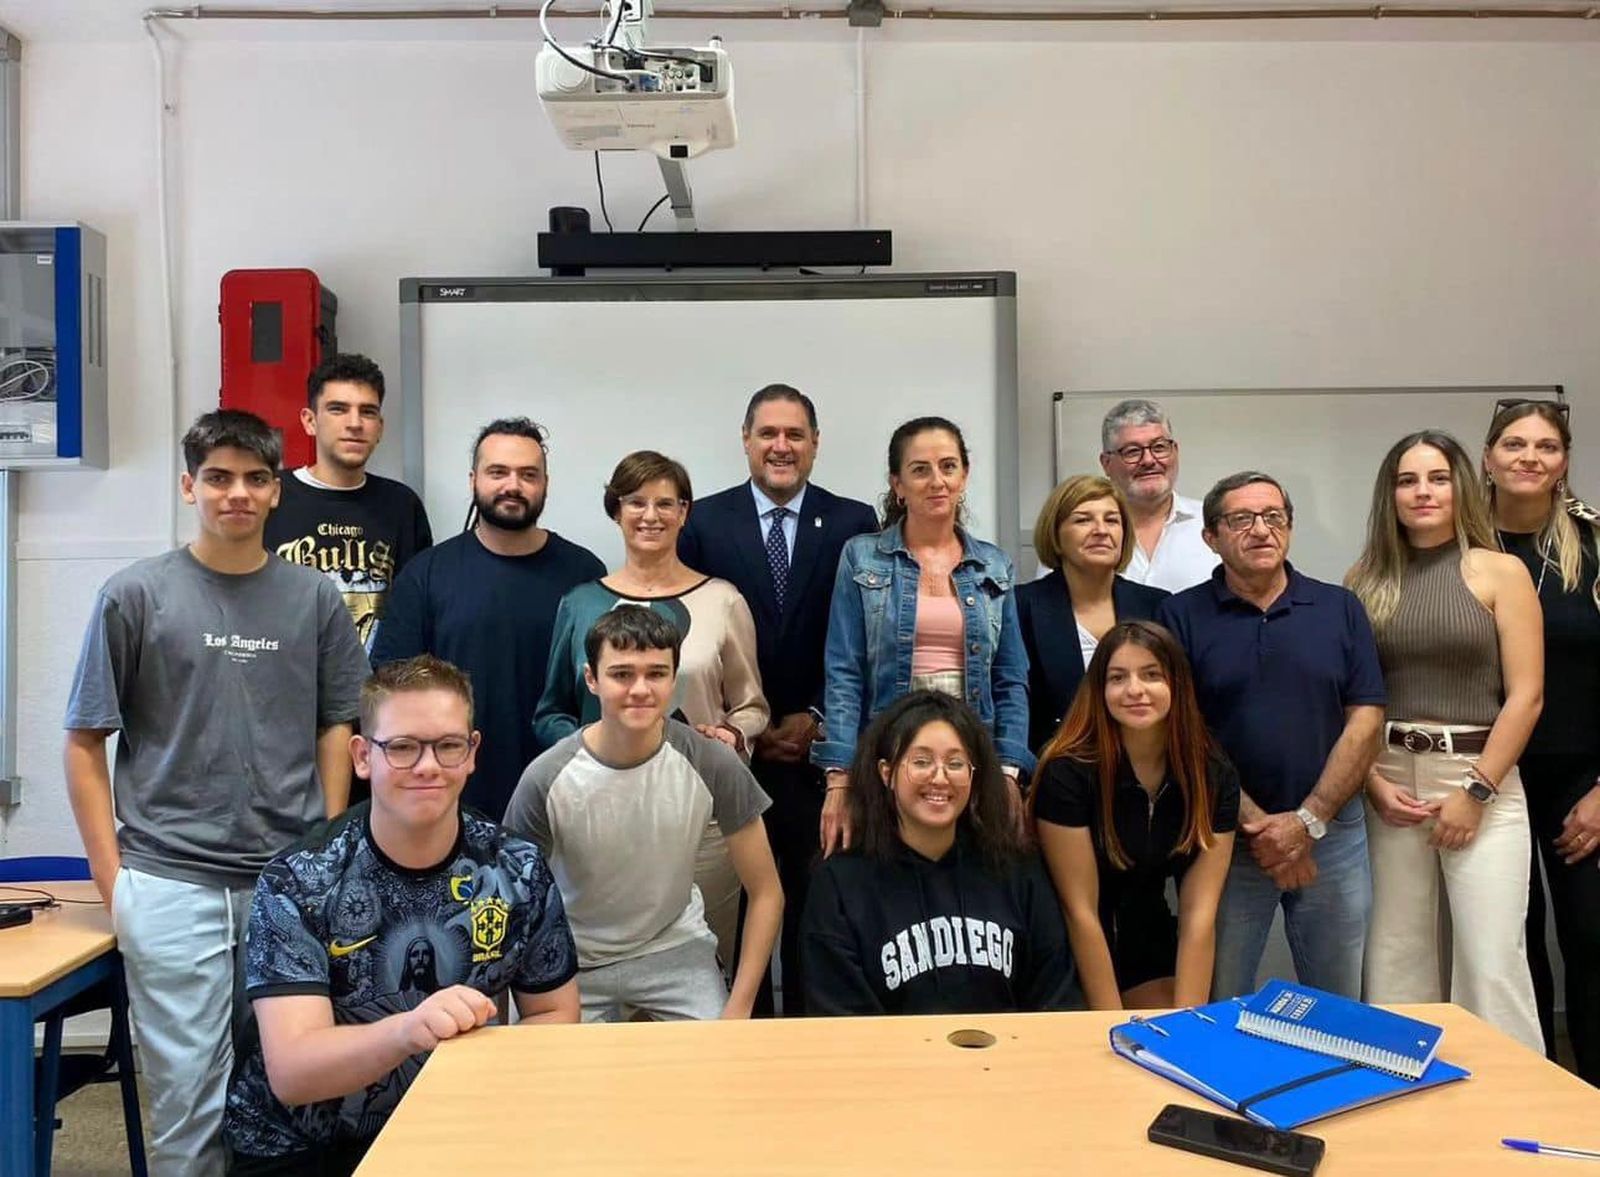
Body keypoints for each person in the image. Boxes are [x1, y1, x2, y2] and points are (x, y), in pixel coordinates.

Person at [63, 409, 369, 1175]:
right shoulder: (135, 594)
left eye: (255, 478)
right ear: (187, 485)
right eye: (219, 477)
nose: (237, 493)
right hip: (170, 882)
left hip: (286, 883)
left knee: (288, 1097)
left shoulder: (314, 597)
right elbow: (84, 740)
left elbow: (337, 725)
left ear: (276, 491)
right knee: (189, 1108)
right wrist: (113, 881)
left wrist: (324, 851)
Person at [223, 656, 579, 1176]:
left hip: (458, 1128)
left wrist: (482, 1077)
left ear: (472, 753)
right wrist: (408, 1032)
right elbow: (295, 1072)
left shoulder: (516, 869)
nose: (428, 766)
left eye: (448, 745)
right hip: (303, 1147)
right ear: (363, 756)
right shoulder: (297, 881)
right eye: (403, 747)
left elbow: (556, 1014)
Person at [677, 383, 878, 1015]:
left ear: (815, 443)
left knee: (818, 914)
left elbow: (862, 637)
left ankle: (812, 1043)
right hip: (733, 758)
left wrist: (816, 716)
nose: (781, 446)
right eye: (768, 433)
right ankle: (747, 1035)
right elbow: (690, 636)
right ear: (746, 441)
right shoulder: (703, 522)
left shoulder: (853, 523)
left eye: (795, 434)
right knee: (739, 918)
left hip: (822, 760)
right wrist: (750, 727)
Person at [533, 450, 768, 970]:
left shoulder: (723, 601)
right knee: (603, 965)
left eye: (666, 503)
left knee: (702, 969)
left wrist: (733, 735)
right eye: (636, 502)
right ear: (616, 510)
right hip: (597, 815)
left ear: (685, 512)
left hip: (700, 819)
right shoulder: (579, 604)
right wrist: (583, 755)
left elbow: (752, 705)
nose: (651, 515)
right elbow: (551, 710)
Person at [1349, 430, 1544, 1052]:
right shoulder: (1364, 580)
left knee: (1491, 959)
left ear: (1461, 486)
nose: (1423, 492)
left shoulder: (1501, 572)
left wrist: (1475, 792)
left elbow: (1527, 696)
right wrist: (1371, 783)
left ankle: (1513, 1093)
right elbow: (1351, 700)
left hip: (1481, 777)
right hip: (1388, 780)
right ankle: (1399, 1086)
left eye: (1437, 478)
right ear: (1390, 494)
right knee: (1396, 951)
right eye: (1407, 480)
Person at [1156, 471, 1385, 1001]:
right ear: (1211, 537)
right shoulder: (1179, 615)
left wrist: (1308, 820)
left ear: (1289, 527)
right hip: (1226, 839)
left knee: (1339, 1000)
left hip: (1334, 836)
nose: (1261, 530)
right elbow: (1181, 731)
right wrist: (1263, 827)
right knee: (1219, 995)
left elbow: (1367, 719)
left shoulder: (1339, 607)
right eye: (1241, 519)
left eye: (1273, 517)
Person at [506, 608, 783, 1022]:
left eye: (656, 673)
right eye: (621, 674)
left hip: (675, 949)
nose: (640, 689)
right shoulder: (546, 778)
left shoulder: (712, 764)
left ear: (674, 680)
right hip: (572, 957)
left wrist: (738, 1010)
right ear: (591, 679)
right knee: (536, 1061)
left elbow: (766, 892)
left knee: (720, 1061)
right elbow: (509, 902)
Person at [815, 416, 1031, 857]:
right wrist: (839, 779)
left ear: (964, 476)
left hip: (970, 756)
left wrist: (1008, 771)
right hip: (889, 752)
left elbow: (1010, 678)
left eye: (948, 466)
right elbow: (844, 672)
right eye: (920, 470)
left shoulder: (994, 565)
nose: (937, 481)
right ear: (897, 484)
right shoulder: (862, 557)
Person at [372, 417, 604, 818]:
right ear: (473, 480)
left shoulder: (584, 574)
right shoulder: (426, 575)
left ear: (545, 484)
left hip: (564, 796)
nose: (513, 485)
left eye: (528, 474)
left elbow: (601, 692)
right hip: (452, 801)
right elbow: (395, 696)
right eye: (498, 472)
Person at [800, 691, 1079, 1015]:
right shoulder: (839, 885)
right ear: (886, 773)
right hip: (886, 1050)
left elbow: (1056, 998)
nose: (939, 777)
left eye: (955, 763)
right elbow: (838, 1016)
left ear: (973, 775)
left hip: (1006, 1049)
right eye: (921, 761)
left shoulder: (1017, 870)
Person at [1483, 399, 1600, 1082]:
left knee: (1592, 939)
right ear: (1488, 457)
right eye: (1514, 443)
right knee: (1511, 946)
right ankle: (1533, 1090)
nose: (1530, 457)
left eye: (1546, 446)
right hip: (1488, 775)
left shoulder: (1595, 545)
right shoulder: (1456, 545)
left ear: (1564, 462)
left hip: (1584, 779)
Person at [1031, 621, 1237, 1010]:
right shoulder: (1067, 771)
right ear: (1099, 689)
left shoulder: (1212, 773)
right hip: (1067, 937)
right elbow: (1080, 911)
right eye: (1118, 677)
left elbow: (1199, 913)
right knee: (1107, 1038)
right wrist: (1109, 1024)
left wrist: (1188, 1021)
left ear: (1177, 683)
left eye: (1151, 675)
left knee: (1175, 1020)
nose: (1135, 689)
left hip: (1144, 925)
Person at [264, 353, 433, 653]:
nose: (355, 424)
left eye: (367, 412)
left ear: (380, 427)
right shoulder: (271, 495)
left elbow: (415, 614)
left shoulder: (401, 505)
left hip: (375, 680)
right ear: (310, 421)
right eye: (338, 409)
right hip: (285, 676)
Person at [1017, 474, 1170, 753]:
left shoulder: (1157, 606)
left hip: (1142, 760)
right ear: (1055, 534)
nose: (1101, 530)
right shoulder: (1021, 606)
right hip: (1053, 761)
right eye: (1083, 520)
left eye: (1111, 520)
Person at [1098, 399, 1218, 593]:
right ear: (1106, 463)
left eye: (1159, 447)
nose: (1148, 460)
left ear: (1175, 452)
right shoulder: (1084, 532)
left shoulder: (1215, 523)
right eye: (1132, 451)